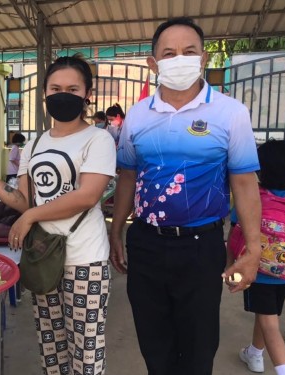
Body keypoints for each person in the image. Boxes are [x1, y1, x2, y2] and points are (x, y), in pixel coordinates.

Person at [108, 17, 262, 375]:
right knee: (154, 344)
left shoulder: (230, 113)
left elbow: (244, 183)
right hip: (146, 243)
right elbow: (128, 176)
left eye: (189, 51)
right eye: (169, 53)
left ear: (204, 58)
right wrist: (117, 230)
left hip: (201, 245)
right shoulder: (137, 116)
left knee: (198, 347)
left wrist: (253, 250)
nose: (180, 59)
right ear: (153, 63)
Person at [0, 54, 116, 375]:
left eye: (73, 89)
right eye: (56, 88)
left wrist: (31, 217)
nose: (64, 95)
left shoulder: (98, 139)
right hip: (44, 256)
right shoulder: (34, 144)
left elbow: (88, 196)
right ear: (44, 93)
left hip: (84, 258)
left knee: (85, 352)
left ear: (88, 94)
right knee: (53, 349)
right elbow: (23, 201)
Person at [230, 140, 285, 375]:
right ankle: (255, 354)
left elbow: (234, 235)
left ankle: (284, 371)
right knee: (267, 314)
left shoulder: (251, 198)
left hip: (257, 271)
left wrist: (230, 268)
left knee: (270, 323)